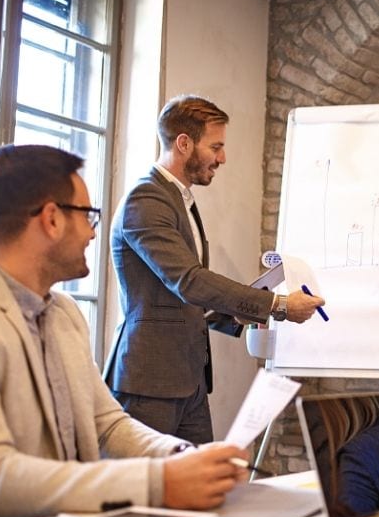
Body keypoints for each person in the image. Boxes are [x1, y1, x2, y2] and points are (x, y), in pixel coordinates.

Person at [0, 145, 248, 517]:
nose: (93, 232)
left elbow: (106, 425)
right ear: (51, 219)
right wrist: (157, 482)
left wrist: (181, 456)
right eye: (87, 215)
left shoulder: (63, 313)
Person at [103, 95, 323, 444]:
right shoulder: (146, 199)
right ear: (184, 143)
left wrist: (232, 314)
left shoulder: (178, 198)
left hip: (189, 379)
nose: (222, 158)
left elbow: (177, 294)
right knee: (149, 492)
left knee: (203, 490)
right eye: (216, 146)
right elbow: (188, 281)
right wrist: (277, 306)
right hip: (150, 382)